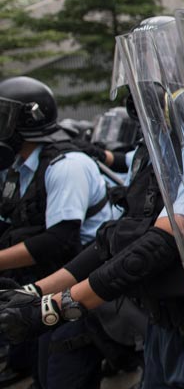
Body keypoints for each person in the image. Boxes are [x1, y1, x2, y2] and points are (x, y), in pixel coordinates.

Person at [0, 76, 120, 387]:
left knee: (60, 374)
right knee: (40, 373)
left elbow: (59, 239)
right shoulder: (19, 167)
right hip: (43, 282)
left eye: (4, 117)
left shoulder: (66, 165)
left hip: (79, 284)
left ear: (27, 121)